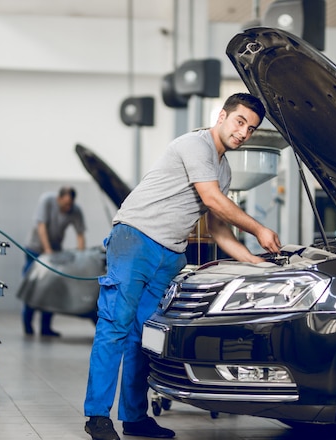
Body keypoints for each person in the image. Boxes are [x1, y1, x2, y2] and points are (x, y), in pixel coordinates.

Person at [83, 93, 281, 440]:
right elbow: (211, 199)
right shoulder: (195, 144)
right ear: (222, 116)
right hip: (135, 239)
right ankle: (97, 417)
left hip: (170, 253)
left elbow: (218, 227)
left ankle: (134, 418)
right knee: (115, 327)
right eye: (239, 122)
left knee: (142, 339)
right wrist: (260, 228)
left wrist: (254, 261)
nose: (243, 133)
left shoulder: (224, 169)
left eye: (251, 129)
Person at [22, 186, 86, 336]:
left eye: (70, 205)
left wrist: (82, 257)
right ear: (59, 199)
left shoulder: (75, 210)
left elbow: (80, 234)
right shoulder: (47, 201)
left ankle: (45, 327)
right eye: (64, 205)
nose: (67, 208)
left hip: (54, 251)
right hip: (35, 249)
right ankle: (28, 324)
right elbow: (41, 226)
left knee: (51, 289)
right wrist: (47, 250)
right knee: (33, 286)